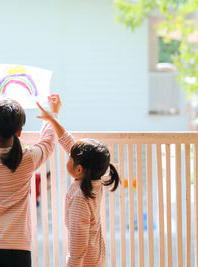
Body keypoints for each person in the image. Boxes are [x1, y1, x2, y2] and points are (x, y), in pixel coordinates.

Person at [0, 75, 61, 267]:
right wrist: (53, 114)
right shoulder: (26, 160)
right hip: (17, 244)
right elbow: (48, 142)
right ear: (19, 132)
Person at [37, 96, 120, 267]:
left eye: (70, 158)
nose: (68, 156)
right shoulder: (94, 179)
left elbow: (77, 246)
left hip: (85, 261)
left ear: (79, 169)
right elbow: (68, 143)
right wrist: (53, 118)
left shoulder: (80, 200)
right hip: (95, 256)